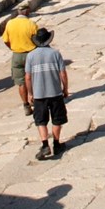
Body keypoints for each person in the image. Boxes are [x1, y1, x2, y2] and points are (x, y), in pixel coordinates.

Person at [24, 27, 69, 160]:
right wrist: (65, 88)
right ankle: (56, 143)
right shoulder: (55, 53)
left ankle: (45, 145)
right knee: (57, 119)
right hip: (55, 92)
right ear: (49, 39)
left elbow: (27, 77)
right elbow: (63, 73)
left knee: (40, 120)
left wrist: (30, 93)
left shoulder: (30, 56)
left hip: (39, 94)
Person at [2, 6, 39, 115]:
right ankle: (35, 101)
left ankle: (26, 105)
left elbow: (5, 40)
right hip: (31, 54)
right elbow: (37, 41)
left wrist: (13, 48)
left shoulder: (10, 23)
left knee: (20, 82)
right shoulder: (31, 24)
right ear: (27, 11)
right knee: (33, 79)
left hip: (17, 55)